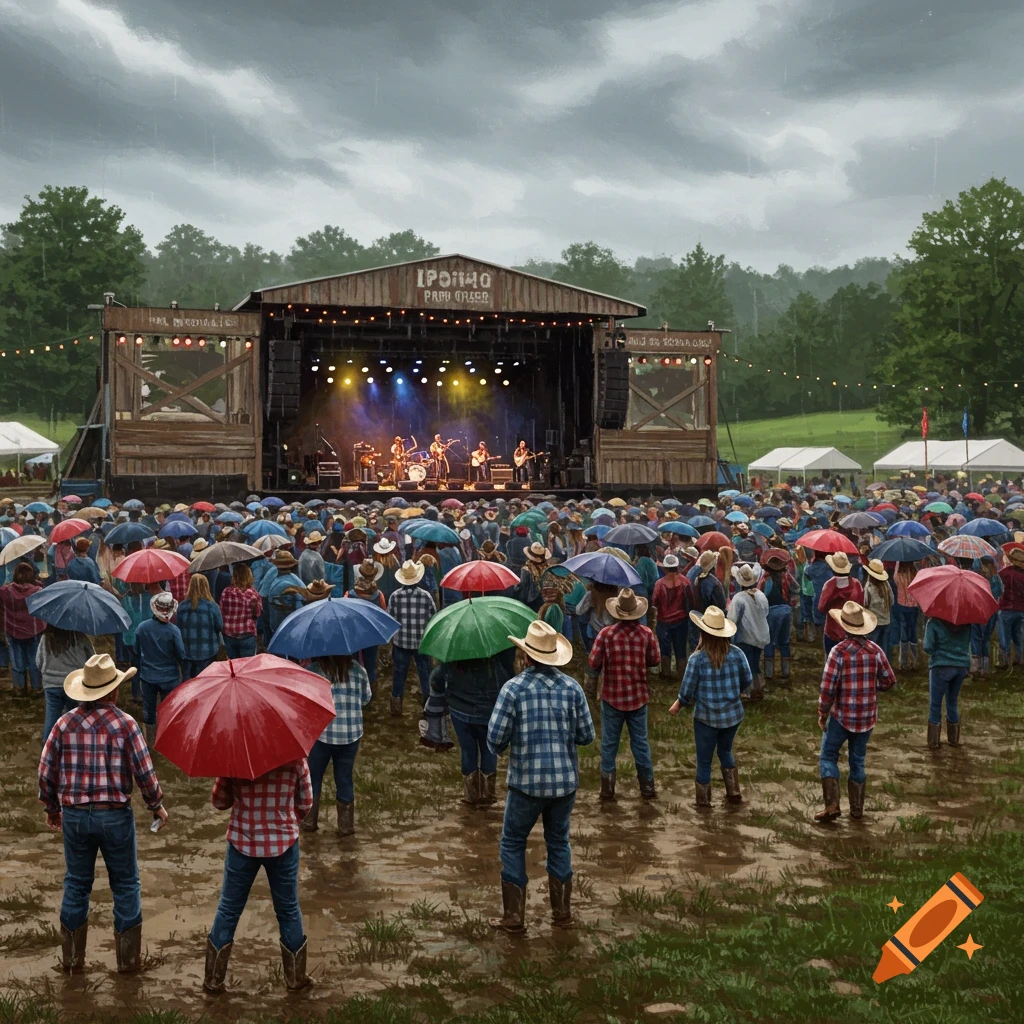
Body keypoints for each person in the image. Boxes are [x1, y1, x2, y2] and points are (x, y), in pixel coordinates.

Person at [38, 655, 167, 974]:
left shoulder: (63, 723)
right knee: (125, 885)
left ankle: (72, 964)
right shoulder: (126, 724)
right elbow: (144, 773)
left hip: (75, 815)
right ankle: (128, 964)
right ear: (114, 690)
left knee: (76, 884)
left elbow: (45, 771)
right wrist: (156, 805)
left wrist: (52, 808)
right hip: (115, 816)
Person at [487, 621, 595, 933]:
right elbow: (586, 736)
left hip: (526, 784)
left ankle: (514, 916)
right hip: (564, 784)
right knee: (559, 842)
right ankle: (562, 913)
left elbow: (495, 739)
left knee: (513, 842)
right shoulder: (572, 688)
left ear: (526, 655)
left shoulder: (513, 689)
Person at [204, 759, 313, 994]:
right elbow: (305, 802)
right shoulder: (295, 757)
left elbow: (219, 801)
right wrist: (286, 821)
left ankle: (213, 980)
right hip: (284, 842)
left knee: (228, 909)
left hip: (242, 840)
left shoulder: (234, 757)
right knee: (288, 909)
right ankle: (296, 979)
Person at [816, 601, 896, 822]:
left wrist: (822, 712)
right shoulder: (875, 650)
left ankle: (832, 805)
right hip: (866, 717)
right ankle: (857, 809)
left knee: (828, 756)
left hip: (841, 716)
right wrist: (872, 687)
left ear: (844, 626)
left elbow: (827, 688)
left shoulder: (838, 652)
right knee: (858, 760)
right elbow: (889, 680)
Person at [670, 605, 752, 806]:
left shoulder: (697, 659)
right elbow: (748, 679)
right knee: (725, 751)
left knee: (704, 760)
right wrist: (735, 691)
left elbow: (687, 690)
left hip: (706, 718)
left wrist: (679, 703)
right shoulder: (737, 653)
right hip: (732, 716)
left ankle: (703, 801)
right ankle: (733, 791)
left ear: (703, 633)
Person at [587, 588, 660, 801]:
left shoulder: (606, 634)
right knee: (640, 743)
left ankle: (607, 789)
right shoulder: (646, 634)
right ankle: (647, 787)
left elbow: (593, 662)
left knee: (609, 743)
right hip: (638, 697)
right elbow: (655, 660)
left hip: (612, 697)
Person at [430, 647, 517, 806]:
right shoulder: (497, 652)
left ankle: (470, 797)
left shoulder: (455, 651)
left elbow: (436, 680)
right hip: (489, 711)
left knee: (468, 751)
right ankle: (488, 796)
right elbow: (509, 678)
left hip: (460, 712)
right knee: (489, 750)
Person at [303, 653, 372, 836]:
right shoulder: (359, 671)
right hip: (350, 735)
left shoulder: (313, 672)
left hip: (321, 735)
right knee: (344, 778)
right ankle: (346, 827)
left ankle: (309, 821)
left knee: (313, 777)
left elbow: (306, 702)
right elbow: (366, 699)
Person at [135, 592, 186, 744]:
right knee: (168, 708)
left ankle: (150, 741)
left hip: (147, 676)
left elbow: (136, 650)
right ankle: (167, 739)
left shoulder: (142, 628)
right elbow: (181, 654)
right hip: (169, 677)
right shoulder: (173, 631)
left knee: (149, 709)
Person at [386, 560, 436, 715]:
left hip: (401, 642)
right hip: (421, 643)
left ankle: (396, 705)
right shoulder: (426, 596)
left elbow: (390, 620)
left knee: (399, 675)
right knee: (425, 674)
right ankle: (428, 706)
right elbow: (433, 618)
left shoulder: (395, 596)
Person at [37, 623, 94, 744]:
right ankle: (73, 744)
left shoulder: (46, 638)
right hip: (74, 684)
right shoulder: (79, 637)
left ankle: (47, 745)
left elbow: (38, 662)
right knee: (74, 716)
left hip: (51, 684)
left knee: (52, 716)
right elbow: (92, 659)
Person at [923, 610, 971, 749]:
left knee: (935, 704)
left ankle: (933, 741)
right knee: (952, 701)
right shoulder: (967, 623)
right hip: (962, 666)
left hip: (941, 665)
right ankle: (954, 739)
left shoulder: (934, 623)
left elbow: (928, 647)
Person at [0, 562, 45, 695]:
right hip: (33, 631)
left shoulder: (5, 591)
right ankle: (36, 688)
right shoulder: (38, 591)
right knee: (34, 660)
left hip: (12, 630)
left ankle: (19, 688)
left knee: (17, 661)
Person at [727, 564, 769, 699]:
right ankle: (757, 688)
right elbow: (766, 612)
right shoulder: (760, 595)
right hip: (761, 635)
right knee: (754, 662)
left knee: (747, 664)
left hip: (745, 637)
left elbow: (732, 619)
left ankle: (749, 691)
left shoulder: (738, 598)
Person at [650, 554, 694, 680]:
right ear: (677, 566)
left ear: (665, 567)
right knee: (680, 649)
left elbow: (654, 601)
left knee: (665, 649)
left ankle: (666, 673)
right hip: (681, 620)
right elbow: (691, 601)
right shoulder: (685, 582)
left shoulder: (659, 584)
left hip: (663, 621)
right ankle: (682, 674)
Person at [345, 559, 387, 687]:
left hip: (353, 634)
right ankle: (371, 689)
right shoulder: (379, 595)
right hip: (371, 634)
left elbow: (344, 615)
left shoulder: (349, 594)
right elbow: (383, 614)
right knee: (370, 664)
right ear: (374, 576)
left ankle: (355, 686)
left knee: (353, 663)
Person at [176, 574, 223, 679]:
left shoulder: (182, 606)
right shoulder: (213, 607)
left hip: (187, 651)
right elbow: (219, 626)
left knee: (188, 683)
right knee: (205, 681)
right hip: (208, 650)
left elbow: (178, 627)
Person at [818, 552, 864, 658]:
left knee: (831, 659)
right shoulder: (856, 584)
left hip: (832, 630)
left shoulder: (829, 585)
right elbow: (861, 605)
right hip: (852, 630)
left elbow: (821, 608)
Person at [758, 550, 795, 682]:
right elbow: (797, 588)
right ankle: (786, 671)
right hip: (785, 610)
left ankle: (769, 673)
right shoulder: (787, 576)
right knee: (784, 641)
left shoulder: (765, 579)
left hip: (771, 611)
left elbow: (760, 595)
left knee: (769, 641)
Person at [219, 563, 263, 659]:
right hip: (247, 634)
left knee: (233, 664)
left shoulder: (226, 592)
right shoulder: (253, 594)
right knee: (247, 664)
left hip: (229, 634)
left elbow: (221, 611)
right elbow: (257, 614)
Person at [971, 555, 1002, 676]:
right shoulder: (995, 577)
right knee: (986, 638)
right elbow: (999, 592)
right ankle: (985, 668)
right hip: (991, 611)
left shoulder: (976, 576)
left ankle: (976, 667)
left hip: (977, 610)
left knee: (976, 637)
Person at [996, 547, 1024, 668]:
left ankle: (1004, 661)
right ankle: (1020, 659)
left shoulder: (1004, 573)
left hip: (1006, 608)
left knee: (1004, 636)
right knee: (1019, 635)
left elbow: (998, 587)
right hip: (1021, 609)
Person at [861, 559, 893, 661]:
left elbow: (865, 603)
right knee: (885, 649)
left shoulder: (869, 587)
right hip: (886, 621)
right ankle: (885, 666)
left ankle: (873, 666)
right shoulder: (886, 585)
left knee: (872, 648)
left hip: (873, 623)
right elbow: (892, 601)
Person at [892, 561, 921, 669]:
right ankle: (914, 660)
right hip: (913, 604)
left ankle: (904, 662)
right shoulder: (914, 571)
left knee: (904, 631)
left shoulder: (899, 571)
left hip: (902, 604)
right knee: (913, 631)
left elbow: (895, 580)